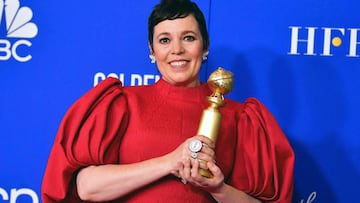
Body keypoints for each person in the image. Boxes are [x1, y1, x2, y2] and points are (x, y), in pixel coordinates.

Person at [41, 0, 295, 202]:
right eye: (165, 40)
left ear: (204, 46)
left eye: (188, 38)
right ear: (152, 51)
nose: (177, 50)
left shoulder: (241, 118)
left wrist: (219, 189)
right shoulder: (121, 103)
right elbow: (87, 188)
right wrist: (170, 162)